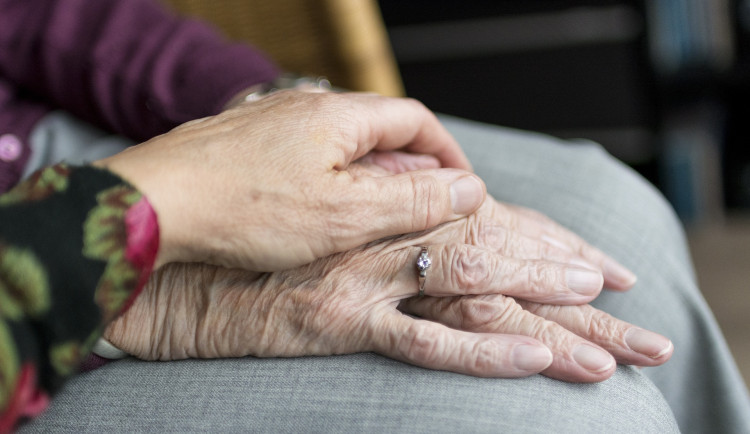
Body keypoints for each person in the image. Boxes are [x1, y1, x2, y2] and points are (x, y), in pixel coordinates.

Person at [1, 1, 748, 433]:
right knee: (575, 413)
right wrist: (152, 285)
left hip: (61, 138)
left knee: (614, 218)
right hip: (30, 320)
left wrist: (264, 112)